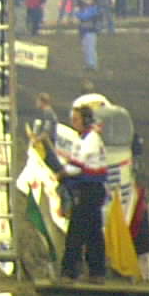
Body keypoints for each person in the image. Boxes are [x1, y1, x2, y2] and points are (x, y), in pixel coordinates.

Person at [53, 102, 108, 282]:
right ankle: (97, 272)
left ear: (86, 120)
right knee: (93, 232)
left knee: (76, 231)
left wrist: (61, 174)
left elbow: (76, 166)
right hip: (89, 189)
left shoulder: (91, 139)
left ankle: (69, 272)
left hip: (90, 190)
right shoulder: (82, 138)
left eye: (76, 119)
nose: (73, 122)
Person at [76, 0, 103, 70]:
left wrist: (78, 13)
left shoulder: (95, 9)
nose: (86, 1)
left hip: (91, 31)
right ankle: (87, 64)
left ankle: (93, 64)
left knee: (90, 48)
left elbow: (84, 16)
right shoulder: (85, 8)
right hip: (84, 31)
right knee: (85, 48)